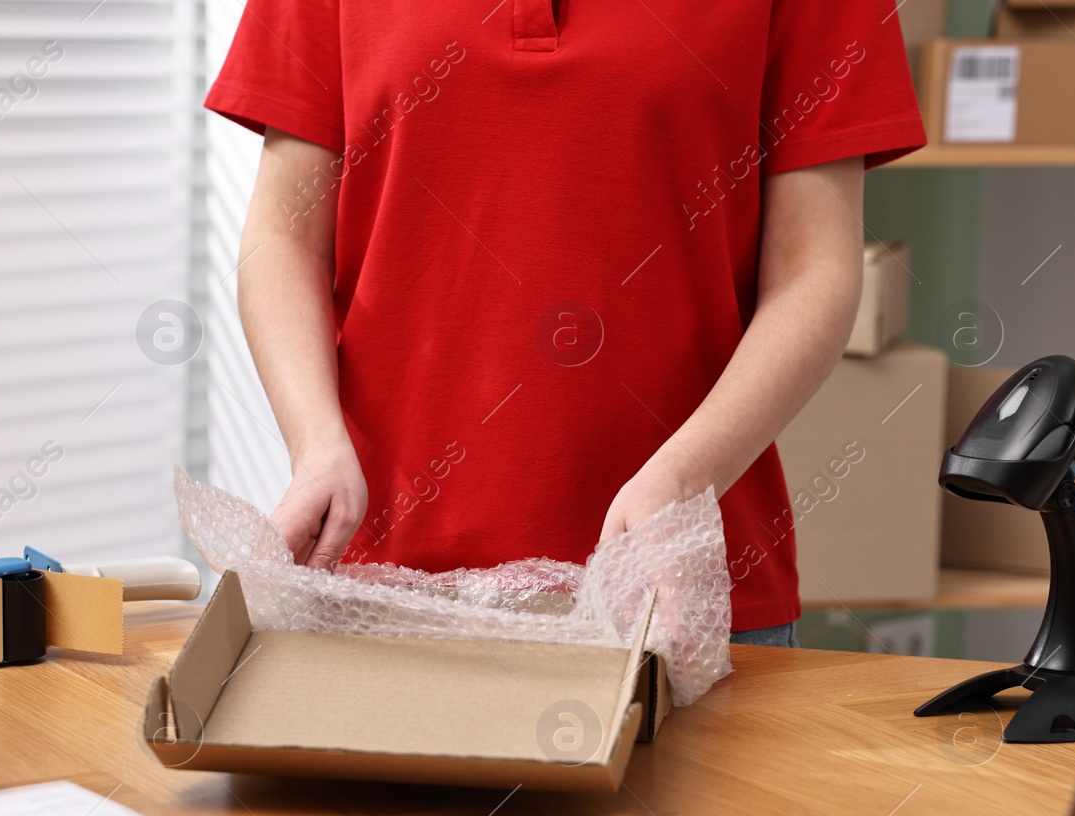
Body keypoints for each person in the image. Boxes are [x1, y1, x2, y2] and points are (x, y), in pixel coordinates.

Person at [206, 0, 925, 646]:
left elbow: (815, 272)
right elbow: (284, 238)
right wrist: (314, 444)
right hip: (379, 598)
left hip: (675, 599)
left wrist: (680, 479)